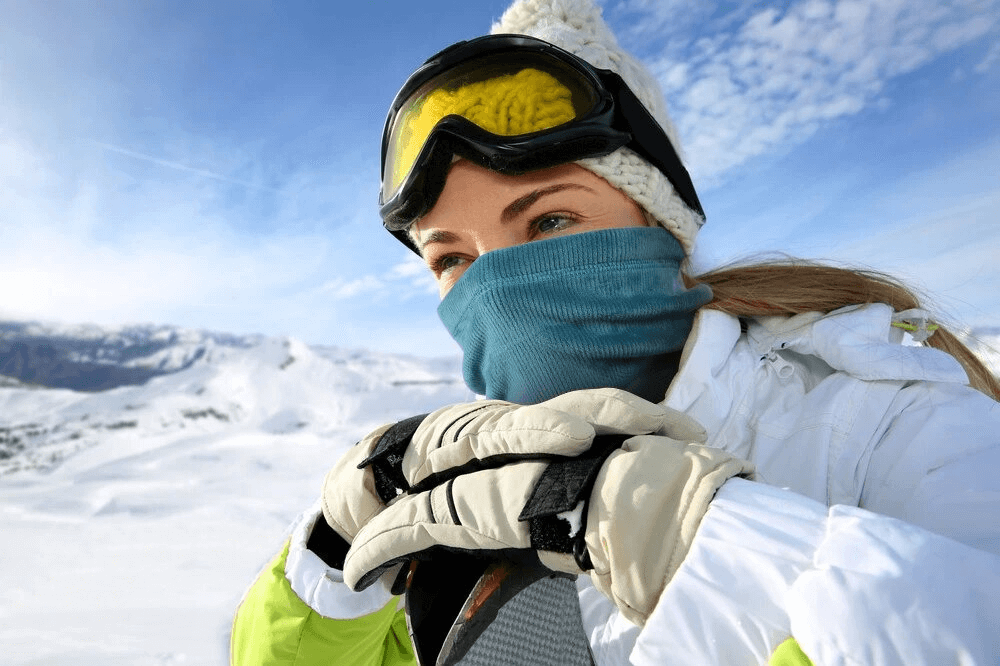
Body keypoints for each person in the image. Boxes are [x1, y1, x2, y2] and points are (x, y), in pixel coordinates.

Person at [231, 0, 1000, 664]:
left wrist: (711, 544)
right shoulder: (464, 500)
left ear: (660, 222)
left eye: (549, 221)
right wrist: (329, 563)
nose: (497, 291)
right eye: (452, 259)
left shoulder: (882, 426)